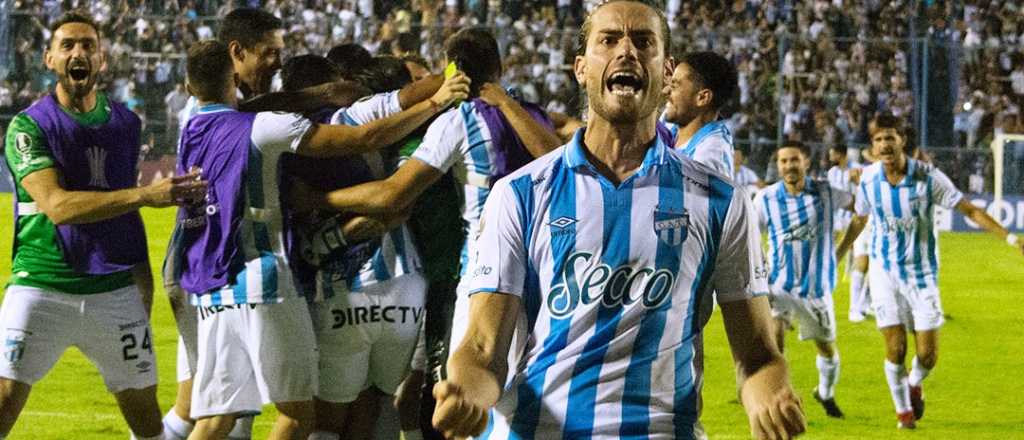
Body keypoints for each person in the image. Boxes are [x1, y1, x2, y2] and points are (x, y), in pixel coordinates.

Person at [430, 1, 806, 439]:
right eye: (608, 40)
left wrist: (767, 395)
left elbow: (757, 353)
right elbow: (482, 347)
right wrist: (466, 390)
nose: (626, 51)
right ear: (581, 68)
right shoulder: (519, 194)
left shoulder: (720, 201)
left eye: (643, 41)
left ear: (666, 74)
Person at [176, 40, 468, 440]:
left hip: (216, 286)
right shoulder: (272, 127)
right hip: (270, 284)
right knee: (305, 413)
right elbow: (367, 137)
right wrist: (436, 102)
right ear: (232, 75)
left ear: (190, 87)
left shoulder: (189, 127)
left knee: (216, 419)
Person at [295, 27, 564, 363]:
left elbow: (392, 195)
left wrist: (316, 200)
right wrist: (509, 103)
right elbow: (563, 155)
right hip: (547, 263)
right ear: (499, 65)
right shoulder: (536, 116)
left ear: (448, 66)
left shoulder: (457, 121)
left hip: (484, 266)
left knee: (469, 384)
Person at [161, 10, 368, 440]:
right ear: (236, 54)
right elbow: (261, 112)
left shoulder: (199, 115)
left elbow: (263, 105)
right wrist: (327, 93)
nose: (277, 61)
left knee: (222, 411)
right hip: (226, 272)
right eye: (270, 52)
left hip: (210, 271)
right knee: (214, 407)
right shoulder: (231, 118)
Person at [0, 12, 205, 440]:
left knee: (147, 421)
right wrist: (147, 196)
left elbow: (123, 214)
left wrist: (142, 291)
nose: (79, 52)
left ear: (103, 60)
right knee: (3, 402)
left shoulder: (125, 124)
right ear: (49, 59)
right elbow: (57, 206)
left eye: (88, 45)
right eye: (68, 45)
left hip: (114, 293)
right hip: (41, 286)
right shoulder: (28, 126)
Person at [840, 114, 1024, 429]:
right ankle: (904, 414)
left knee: (927, 356)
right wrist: (839, 251)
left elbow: (970, 210)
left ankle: (914, 381)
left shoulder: (928, 177)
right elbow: (860, 218)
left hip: (922, 275)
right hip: (885, 273)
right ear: (872, 146)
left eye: (890, 138)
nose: (885, 144)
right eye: (878, 139)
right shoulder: (868, 179)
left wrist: (1010, 237)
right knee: (895, 348)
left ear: (902, 140)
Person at [754, 141, 852, 420]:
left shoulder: (827, 193)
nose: (788, 166)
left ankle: (825, 392)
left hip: (815, 288)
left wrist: (841, 250)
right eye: (783, 161)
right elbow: (750, 235)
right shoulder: (766, 198)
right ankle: (778, 399)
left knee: (826, 349)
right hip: (777, 285)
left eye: (794, 160)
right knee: (774, 340)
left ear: (806, 161)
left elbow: (863, 210)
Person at [661, 51, 739, 176]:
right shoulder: (672, 122)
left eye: (674, 86)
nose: (666, 91)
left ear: (702, 98)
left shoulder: (707, 160)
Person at [825, 143, 870, 322]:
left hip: (856, 215)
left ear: (840, 154)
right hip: (838, 215)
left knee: (865, 258)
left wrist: (857, 183)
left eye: (832, 154)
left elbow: (862, 195)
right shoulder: (831, 173)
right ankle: (832, 269)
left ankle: (865, 303)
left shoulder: (858, 169)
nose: (830, 158)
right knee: (835, 246)